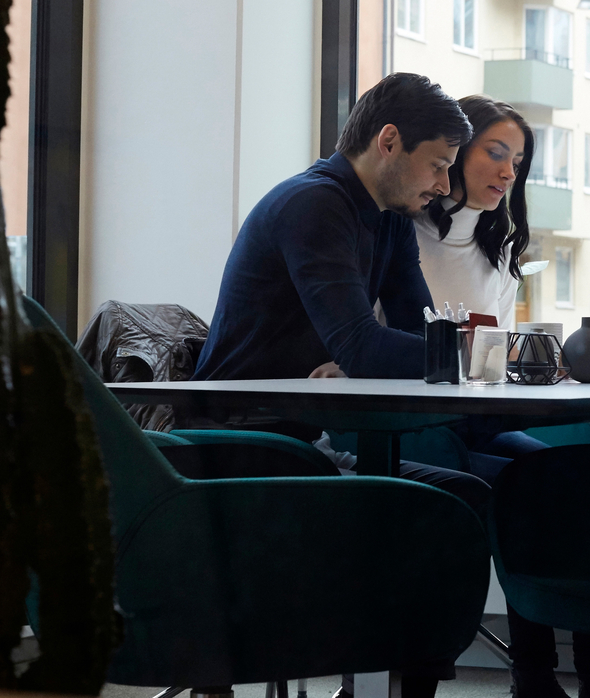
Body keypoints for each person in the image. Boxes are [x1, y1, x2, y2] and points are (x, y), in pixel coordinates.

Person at [193, 73, 495, 698]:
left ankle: (405, 676)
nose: (444, 185)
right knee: (431, 506)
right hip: (246, 448)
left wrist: (471, 354)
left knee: (460, 496)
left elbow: (417, 329)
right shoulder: (314, 205)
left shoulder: (385, 216)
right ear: (389, 141)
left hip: (300, 443)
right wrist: (481, 357)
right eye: (438, 165)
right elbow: (361, 344)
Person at [412, 94, 590, 698]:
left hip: (476, 423)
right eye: (495, 153)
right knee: (530, 486)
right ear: (453, 151)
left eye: (517, 161)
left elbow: (487, 359)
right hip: (413, 426)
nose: (507, 171)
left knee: (571, 473)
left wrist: (539, 367)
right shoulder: (403, 237)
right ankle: (536, 677)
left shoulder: (499, 251)